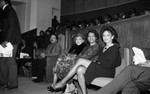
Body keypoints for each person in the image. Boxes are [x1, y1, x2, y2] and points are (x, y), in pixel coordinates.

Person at [48, 25, 121, 94]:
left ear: (112, 37)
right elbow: (99, 59)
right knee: (79, 69)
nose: (105, 37)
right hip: (100, 68)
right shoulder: (104, 48)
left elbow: (110, 64)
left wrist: (96, 63)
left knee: (80, 61)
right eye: (104, 35)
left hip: (107, 71)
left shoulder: (114, 48)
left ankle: (62, 82)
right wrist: (96, 62)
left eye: (108, 35)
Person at [0, 0, 22, 90]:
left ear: (2, 1)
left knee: (10, 61)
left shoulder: (9, 10)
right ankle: (3, 81)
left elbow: (12, 26)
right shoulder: (4, 10)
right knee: (2, 61)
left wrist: (6, 40)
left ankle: (13, 83)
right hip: (5, 41)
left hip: (11, 41)